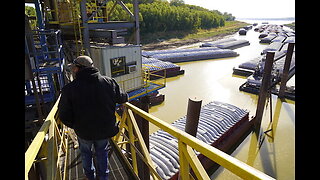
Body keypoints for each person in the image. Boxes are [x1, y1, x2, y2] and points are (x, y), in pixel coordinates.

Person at [58, 55, 128, 180]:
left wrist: (75, 125)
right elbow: (122, 98)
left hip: (83, 131)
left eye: (74, 68)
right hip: (104, 129)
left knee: (86, 154)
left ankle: (90, 176)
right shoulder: (109, 82)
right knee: (102, 153)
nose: (73, 70)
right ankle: (103, 177)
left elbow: (63, 114)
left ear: (78, 69)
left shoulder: (69, 89)